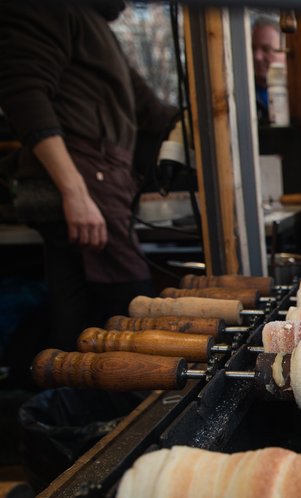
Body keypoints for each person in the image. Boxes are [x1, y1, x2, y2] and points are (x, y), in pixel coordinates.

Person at [0, 1, 178, 352]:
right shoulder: (55, 8)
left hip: (99, 180)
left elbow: (152, 111)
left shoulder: (94, 26)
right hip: (86, 180)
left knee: (79, 322)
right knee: (134, 315)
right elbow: (23, 92)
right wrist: (74, 191)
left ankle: (76, 403)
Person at [252, 16, 286, 126]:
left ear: (285, 53)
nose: (257, 57)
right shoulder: (244, 95)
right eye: (253, 48)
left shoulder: (300, 94)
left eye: (266, 49)